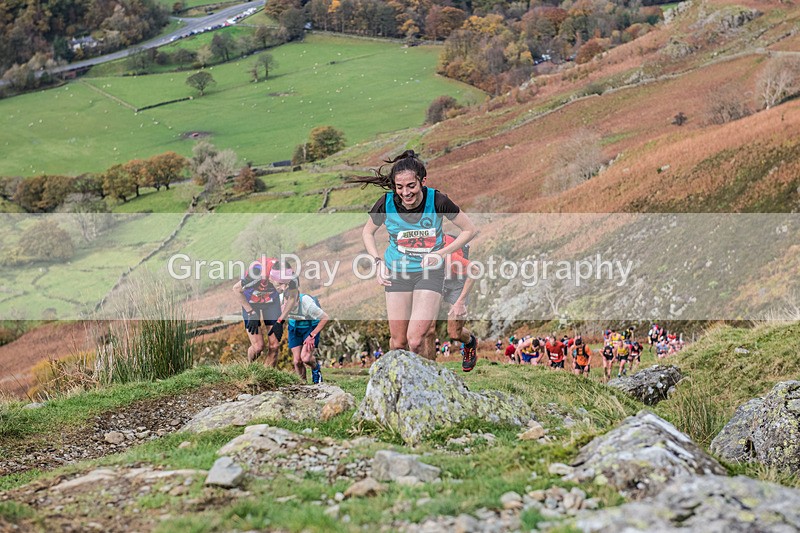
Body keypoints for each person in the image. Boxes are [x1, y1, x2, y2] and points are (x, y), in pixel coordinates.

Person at [353, 150, 477, 358]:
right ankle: (402, 387)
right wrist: (378, 262)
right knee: (398, 343)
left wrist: (441, 253)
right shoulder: (386, 203)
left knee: (416, 340)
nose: (406, 192)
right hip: (397, 271)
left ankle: (426, 384)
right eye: (399, 187)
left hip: (429, 272)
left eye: (411, 186)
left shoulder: (437, 201)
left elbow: (470, 230)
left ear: (422, 181)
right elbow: (367, 232)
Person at [275, 271, 328, 384]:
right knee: (297, 361)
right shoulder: (280, 300)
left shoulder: (307, 304)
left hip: (310, 328)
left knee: (306, 358)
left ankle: (316, 369)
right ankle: (303, 385)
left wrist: (312, 335)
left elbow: (325, 318)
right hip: (294, 328)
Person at [233, 257, 286, 366]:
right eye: (280, 284)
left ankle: (267, 377)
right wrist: (250, 312)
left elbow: (293, 297)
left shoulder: (288, 274)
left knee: (275, 345)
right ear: (271, 277)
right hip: (251, 302)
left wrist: (281, 320)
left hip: (271, 302)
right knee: (258, 347)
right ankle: (249, 367)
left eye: (286, 283)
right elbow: (236, 289)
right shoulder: (256, 274)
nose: (284, 288)